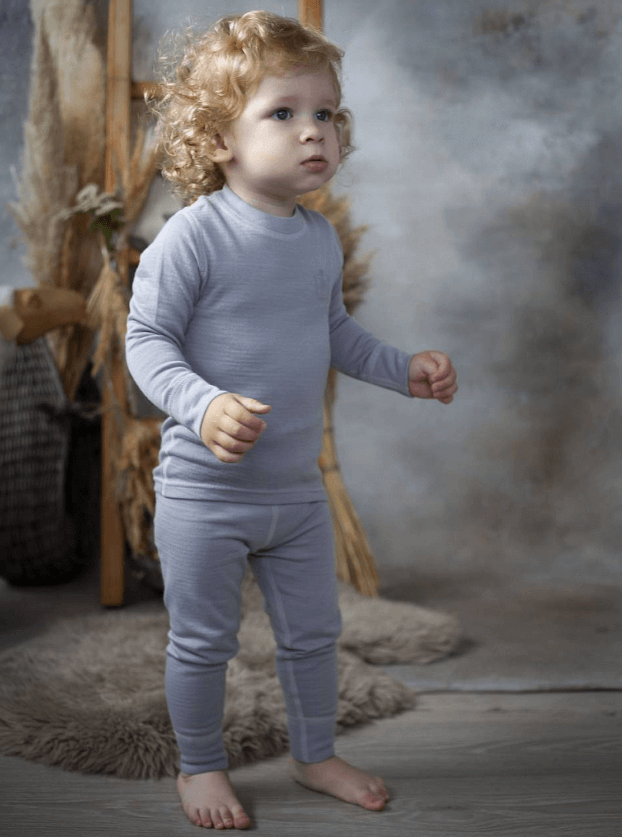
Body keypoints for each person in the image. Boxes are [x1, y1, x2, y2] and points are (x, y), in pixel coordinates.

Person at [126, 10, 458, 830]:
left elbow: (334, 332)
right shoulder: (192, 239)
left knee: (313, 634)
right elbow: (146, 343)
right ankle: (200, 764)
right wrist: (203, 403)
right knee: (202, 642)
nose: (314, 131)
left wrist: (403, 369)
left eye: (325, 113)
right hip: (206, 492)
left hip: (296, 494)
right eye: (283, 112)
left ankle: (314, 753)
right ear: (219, 140)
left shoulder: (317, 239)